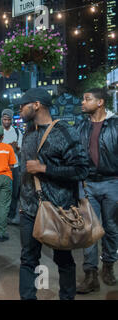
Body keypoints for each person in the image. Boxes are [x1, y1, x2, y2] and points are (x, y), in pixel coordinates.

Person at [16, 88, 89, 300]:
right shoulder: (29, 131)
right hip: (29, 210)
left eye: (23, 105)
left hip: (59, 210)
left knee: (64, 260)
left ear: (37, 105)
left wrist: (44, 169)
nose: (20, 109)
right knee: (28, 259)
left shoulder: (65, 131)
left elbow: (81, 169)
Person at [76, 88, 118, 294]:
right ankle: (90, 274)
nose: (82, 102)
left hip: (112, 183)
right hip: (87, 184)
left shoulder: (116, 124)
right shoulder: (81, 125)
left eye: (87, 99)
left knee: (111, 228)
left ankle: (108, 266)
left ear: (100, 102)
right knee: (89, 230)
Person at [1, 109, 23, 225]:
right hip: (1, 167)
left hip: (15, 166)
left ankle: (12, 213)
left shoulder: (18, 132)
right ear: (1, 119)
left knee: (15, 191)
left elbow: (20, 149)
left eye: (9, 119)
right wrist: (10, 147)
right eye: (5, 119)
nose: (7, 121)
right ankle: (2, 215)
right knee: (3, 192)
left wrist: (15, 148)